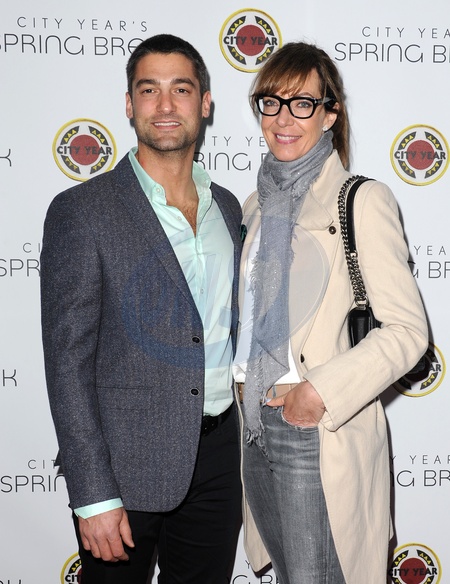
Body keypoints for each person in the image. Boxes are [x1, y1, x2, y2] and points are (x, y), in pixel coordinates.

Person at [41, 34, 242, 584]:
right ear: (129, 105)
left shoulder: (227, 207)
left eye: (182, 89)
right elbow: (67, 363)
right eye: (149, 90)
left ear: (205, 103)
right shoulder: (82, 211)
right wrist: (92, 494)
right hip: (122, 469)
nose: (165, 104)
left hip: (219, 459)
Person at [233, 42, 428, 584]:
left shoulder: (360, 200)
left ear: (329, 114)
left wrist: (319, 391)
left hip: (317, 427)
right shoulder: (253, 207)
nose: (283, 118)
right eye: (271, 102)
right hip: (255, 428)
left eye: (302, 104)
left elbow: (408, 331)